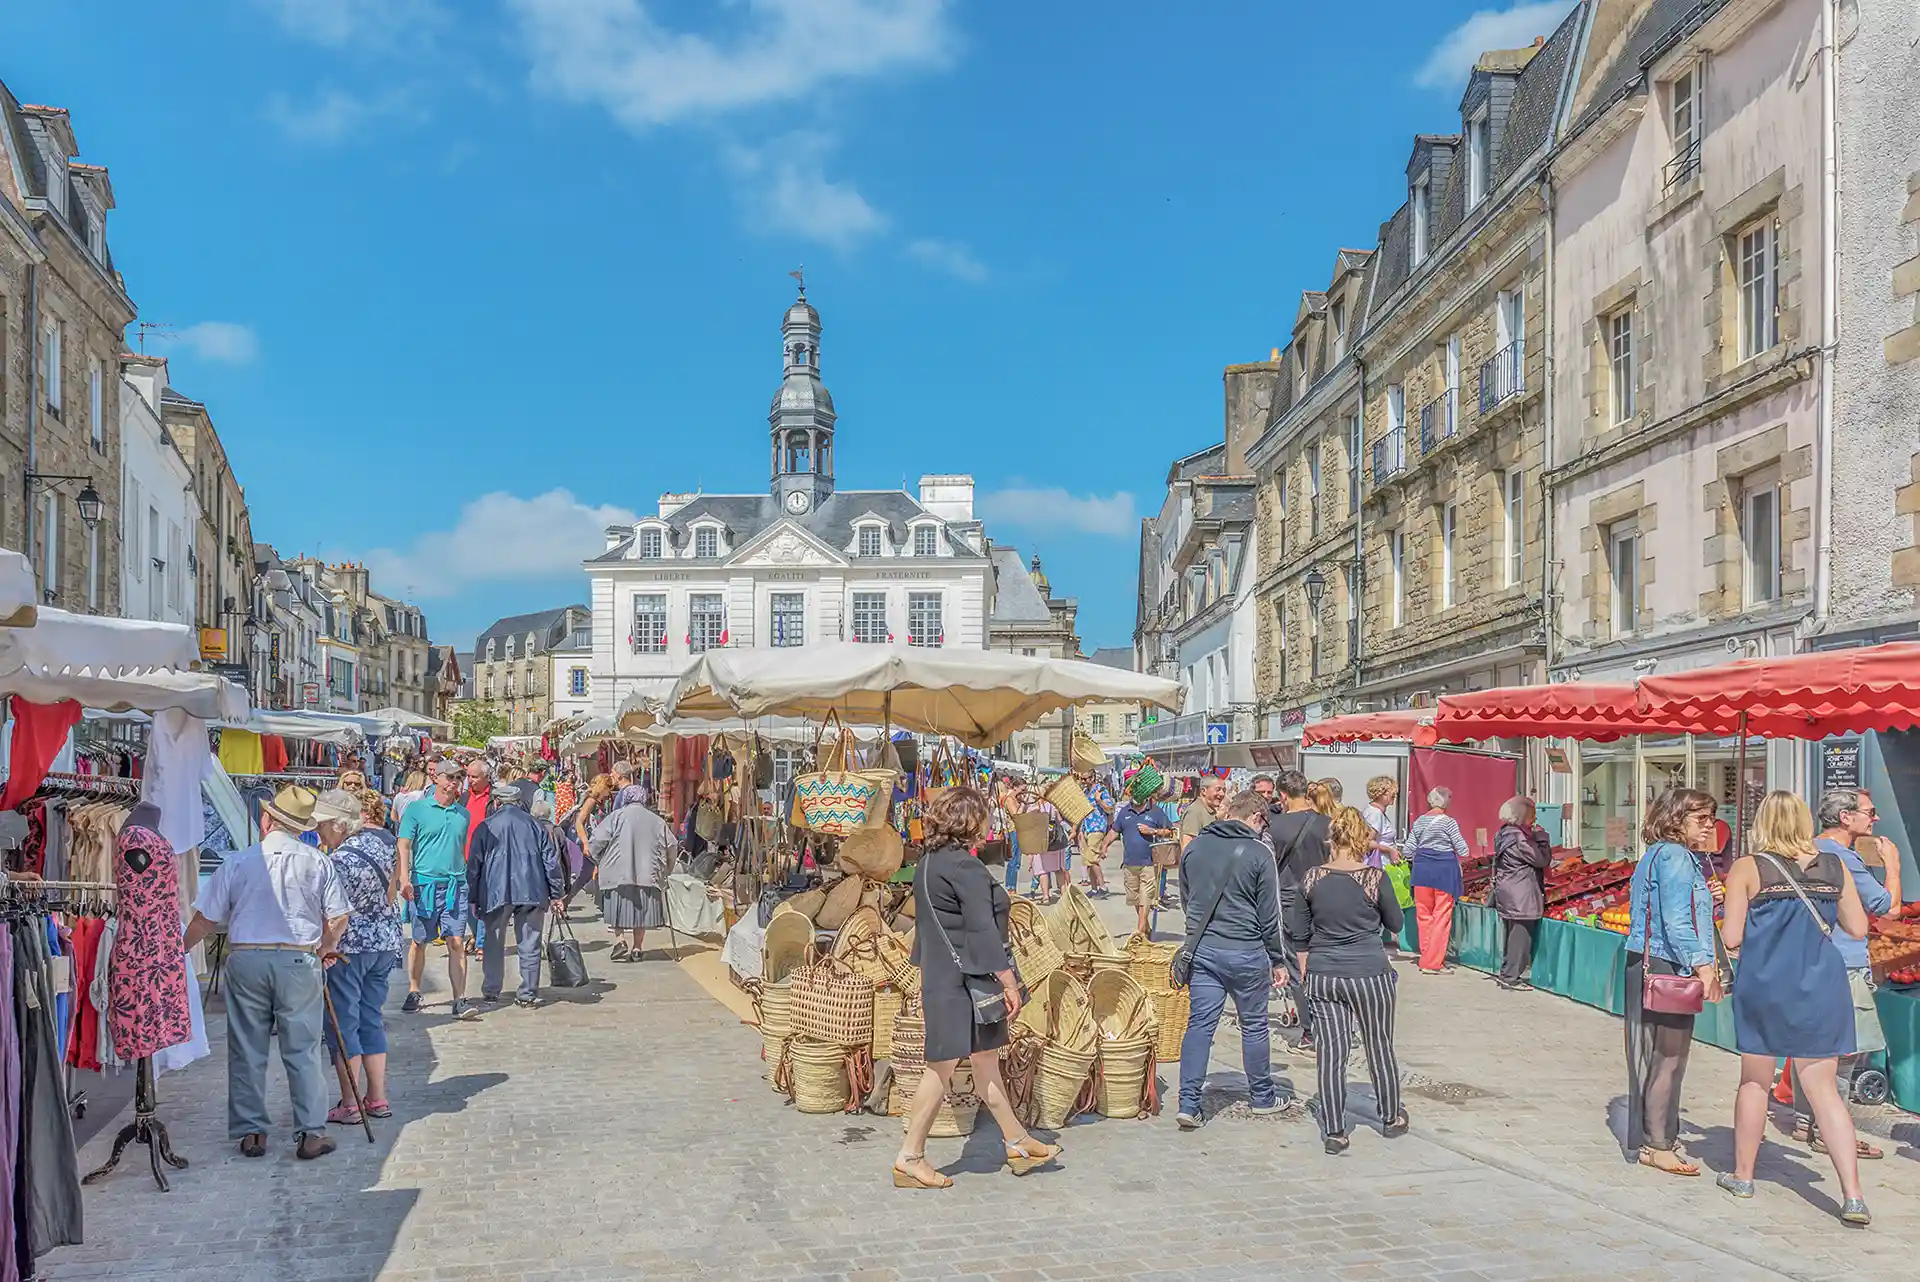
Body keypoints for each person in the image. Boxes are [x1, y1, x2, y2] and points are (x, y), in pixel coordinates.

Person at [1715, 791, 1870, 1223]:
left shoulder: (1748, 867)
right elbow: (1857, 928)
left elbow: (1731, 938)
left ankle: (1743, 1176)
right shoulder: (1835, 866)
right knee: (1823, 1091)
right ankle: (1853, 1195)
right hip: (1821, 986)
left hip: (1765, 985)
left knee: (1754, 1083)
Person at [895, 785, 1060, 1188]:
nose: (989, 822)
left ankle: (1016, 1140)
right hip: (962, 982)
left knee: (985, 1060)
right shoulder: (964, 868)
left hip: (944, 976)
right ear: (969, 821)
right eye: (984, 815)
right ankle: (909, 1157)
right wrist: (1009, 980)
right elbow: (982, 928)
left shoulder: (930, 862)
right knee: (942, 1067)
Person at [183, 786, 350, 1161]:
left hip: (246, 959)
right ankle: (310, 1132)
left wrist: (176, 951)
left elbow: (205, 920)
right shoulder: (317, 861)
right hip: (297, 960)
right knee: (303, 1049)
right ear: (300, 827)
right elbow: (340, 915)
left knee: (246, 1047)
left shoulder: (238, 862)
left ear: (266, 820)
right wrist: (326, 945)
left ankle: (252, 1131)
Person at [1175, 791, 1300, 1128]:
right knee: (1254, 1025)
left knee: (1200, 1025)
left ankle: (1188, 1102)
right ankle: (1262, 1096)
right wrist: (1278, 960)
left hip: (1204, 951)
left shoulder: (1195, 848)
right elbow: (1270, 914)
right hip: (1247, 952)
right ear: (1258, 818)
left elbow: (1187, 901)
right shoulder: (1260, 853)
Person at [1288, 806, 1408, 1154]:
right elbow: (1397, 924)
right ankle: (1390, 1116)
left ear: (1332, 838)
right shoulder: (1374, 879)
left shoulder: (1311, 878)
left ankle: (1336, 1129)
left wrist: (1307, 965)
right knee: (1379, 1044)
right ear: (1362, 840)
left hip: (1325, 974)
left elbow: (1299, 933)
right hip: (1370, 971)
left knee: (1331, 1052)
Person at [1789, 787, 1899, 1158]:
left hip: (1808, 961)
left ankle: (1806, 1120)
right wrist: (1893, 864)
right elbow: (1888, 907)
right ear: (1845, 817)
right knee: (1844, 1051)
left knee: (1811, 1045)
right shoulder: (1844, 859)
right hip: (1844, 963)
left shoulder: (1806, 848)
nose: (1876, 817)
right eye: (1870, 811)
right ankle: (1830, 1130)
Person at [1623, 787, 1723, 1177]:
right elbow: (1678, 924)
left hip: (1647, 960)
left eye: (1710, 819)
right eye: (1701, 819)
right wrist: (1704, 968)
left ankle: (1657, 1136)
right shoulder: (1678, 857)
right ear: (1676, 819)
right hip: (1668, 965)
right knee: (1670, 1059)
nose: (1709, 827)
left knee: (1660, 1056)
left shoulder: (1658, 855)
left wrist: (1707, 897)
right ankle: (1658, 1143)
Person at [312, 789, 402, 1126]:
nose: (318, 831)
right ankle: (377, 1097)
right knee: (371, 1018)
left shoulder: (338, 861)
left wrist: (324, 947)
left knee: (343, 1024)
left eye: (321, 824)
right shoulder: (381, 844)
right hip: (383, 942)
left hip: (349, 949)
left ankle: (349, 1102)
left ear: (338, 825)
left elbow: (337, 915)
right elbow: (391, 889)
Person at [469, 782, 567, 1007]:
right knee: (530, 942)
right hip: (532, 890)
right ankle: (528, 992)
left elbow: (474, 865)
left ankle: (492, 989)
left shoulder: (486, 826)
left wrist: (473, 895)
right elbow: (551, 862)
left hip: (495, 891)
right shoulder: (535, 826)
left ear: (496, 802)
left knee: (493, 941)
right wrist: (556, 893)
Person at [396, 759, 479, 1020]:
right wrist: (403, 878)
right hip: (424, 885)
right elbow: (404, 845)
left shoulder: (462, 814)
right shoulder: (417, 810)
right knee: (420, 941)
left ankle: (459, 999)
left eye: (458, 777)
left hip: (455, 885)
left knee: (456, 941)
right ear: (436, 778)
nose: (454, 782)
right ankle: (414, 989)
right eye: (449, 777)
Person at [1266, 770, 1331, 1052]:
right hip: (1325, 898)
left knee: (1296, 966)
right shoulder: (1328, 824)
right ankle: (1332, 1021)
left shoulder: (1274, 826)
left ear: (1282, 795)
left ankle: (1310, 1030)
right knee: (1325, 962)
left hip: (1290, 900)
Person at [589, 784, 675, 961]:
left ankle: (620, 940)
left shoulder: (616, 817)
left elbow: (597, 840)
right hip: (647, 874)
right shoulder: (656, 820)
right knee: (640, 912)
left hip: (617, 873)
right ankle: (637, 948)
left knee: (617, 908)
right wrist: (667, 869)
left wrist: (598, 858)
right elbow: (672, 845)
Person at [1406, 787, 1470, 975]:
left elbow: (1409, 850)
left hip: (1422, 871)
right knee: (1441, 916)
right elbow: (1463, 849)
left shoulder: (1419, 822)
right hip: (1443, 871)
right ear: (1446, 801)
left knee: (1423, 915)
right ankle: (1433, 962)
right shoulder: (1449, 823)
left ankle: (1427, 956)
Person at [1492, 796, 1552, 991]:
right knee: (1521, 936)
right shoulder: (1519, 838)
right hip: (1521, 892)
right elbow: (1541, 859)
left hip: (1508, 890)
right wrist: (1542, 839)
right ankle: (1511, 977)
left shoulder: (1503, 833)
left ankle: (1506, 973)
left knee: (1512, 933)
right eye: (1532, 814)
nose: (1534, 818)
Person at [1113, 776, 1175, 937]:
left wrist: (1152, 831)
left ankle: (1140, 930)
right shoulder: (1125, 811)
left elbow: (1170, 831)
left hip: (1149, 862)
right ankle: (1146, 926)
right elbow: (1114, 831)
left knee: (1145, 897)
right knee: (1135, 899)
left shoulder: (1156, 812)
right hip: (1129, 863)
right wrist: (1103, 847)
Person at [1076, 771, 1115, 898]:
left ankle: (1103, 886)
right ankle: (1094, 888)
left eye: (1086, 778)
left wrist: (1099, 800)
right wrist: (1080, 830)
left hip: (1097, 827)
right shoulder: (1085, 793)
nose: (1084, 781)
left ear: (1093, 778)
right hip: (1087, 828)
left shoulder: (1101, 790)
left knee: (1093, 859)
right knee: (1088, 860)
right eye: (1082, 779)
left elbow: (1110, 809)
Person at [1179, 776, 1228, 857]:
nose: (1222, 794)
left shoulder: (1210, 811)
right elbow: (1187, 847)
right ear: (1203, 791)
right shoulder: (1195, 811)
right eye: (1218, 789)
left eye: (1224, 790)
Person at [1360, 776, 1400, 867]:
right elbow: (1367, 842)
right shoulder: (1375, 814)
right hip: (1379, 865)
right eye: (1391, 792)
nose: (1394, 795)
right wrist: (1390, 850)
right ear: (1381, 794)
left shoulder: (1376, 812)